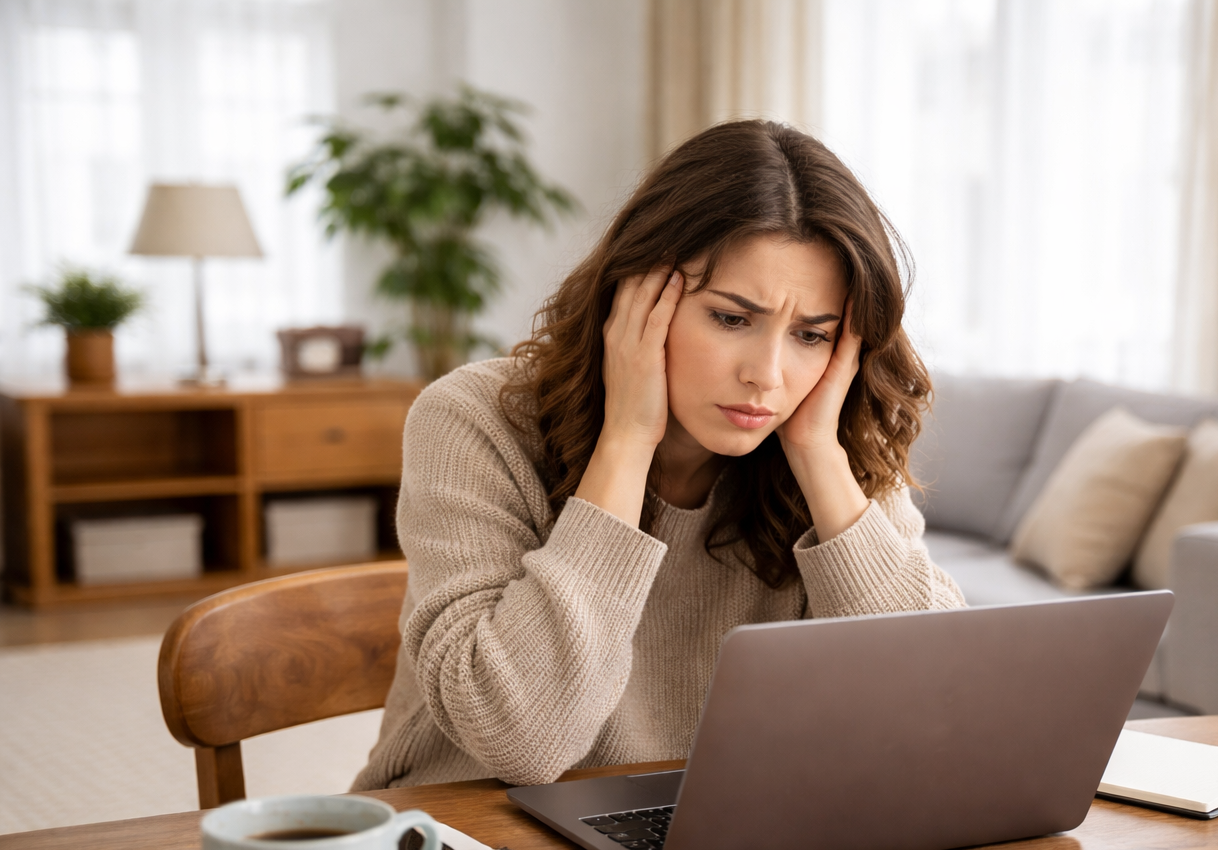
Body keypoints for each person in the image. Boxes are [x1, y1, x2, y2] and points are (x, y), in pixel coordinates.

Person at [354, 120, 964, 791]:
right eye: (732, 319)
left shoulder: (832, 435)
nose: (768, 375)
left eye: (810, 335)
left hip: (701, 829)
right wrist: (625, 442)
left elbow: (932, 709)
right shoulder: (475, 420)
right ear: (636, 296)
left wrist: (819, 454)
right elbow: (522, 744)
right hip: (469, 836)